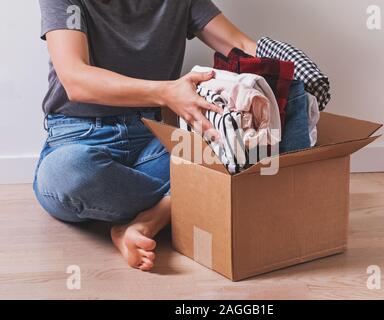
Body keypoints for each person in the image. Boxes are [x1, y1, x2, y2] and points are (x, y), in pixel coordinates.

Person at [35, 0, 257, 271]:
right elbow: (76, 79)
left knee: (240, 146)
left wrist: (292, 74)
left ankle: (149, 221)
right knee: (68, 172)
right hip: (78, 135)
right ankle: (179, 202)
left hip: (153, 137)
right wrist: (167, 92)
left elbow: (244, 48)